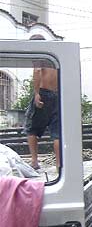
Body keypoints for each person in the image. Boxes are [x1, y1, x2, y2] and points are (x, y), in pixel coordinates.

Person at [23, 34, 60, 169]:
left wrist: (37, 93)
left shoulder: (40, 55)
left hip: (43, 92)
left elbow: (38, 71)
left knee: (31, 127)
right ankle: (58, 164)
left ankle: (34, 161)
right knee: (57, 132)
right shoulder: (54, 58)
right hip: (57, 95)